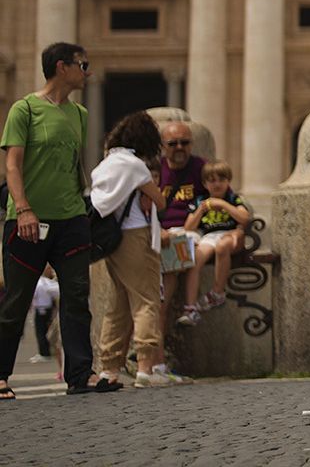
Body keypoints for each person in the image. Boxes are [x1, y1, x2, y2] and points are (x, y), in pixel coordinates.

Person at [1, 42, 98, 399]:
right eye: (82, 65)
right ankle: (0, 375)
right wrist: (23, 207)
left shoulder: (80, 115)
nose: (87, 72)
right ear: (62, 67)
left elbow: (75, 167)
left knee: (76, 296)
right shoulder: (24, 109)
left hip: (71, 218)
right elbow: (12, 164)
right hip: (28, 220)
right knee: (15, 300)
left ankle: (80, 374)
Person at [89, 111, 188, 389]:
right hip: (136, 236)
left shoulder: (106, 163)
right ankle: (146, 366)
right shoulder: (134, 165)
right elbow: (160, 201)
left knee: (119, 303)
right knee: (146, 300)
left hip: (113, 239)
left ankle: (109, 367)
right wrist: (149, 192)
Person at [176, 161, 250, 326]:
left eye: (221, 180)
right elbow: (189, 227)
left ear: (228, 181)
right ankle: (190, 308)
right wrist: (201, 210)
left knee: (222, 246)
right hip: (209, 236)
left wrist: (223, 204)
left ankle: (217, 292)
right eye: (212, 180)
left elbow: (244, 218)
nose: (217, 184)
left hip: (230, 235)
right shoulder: (200, 201)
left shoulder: (233, 198)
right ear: (205, 183)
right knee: (195, 260)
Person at [155, 121, 210, 323]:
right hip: (159, 231)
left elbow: (219, 197)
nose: (179, 147)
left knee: (171, 265)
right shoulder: (155, 170)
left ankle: (161, 317)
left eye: (184, 142)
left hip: (187, 233)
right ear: (163, 146)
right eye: (173, 143)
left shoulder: (201, 168)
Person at [31, 268, 56, 364]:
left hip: (40, 308)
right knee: (44, 331)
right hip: (47, 308)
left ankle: (44, 353)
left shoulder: (38, 283)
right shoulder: (46, 282)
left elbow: (33, 295)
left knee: (40, 332)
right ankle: (45, 352)